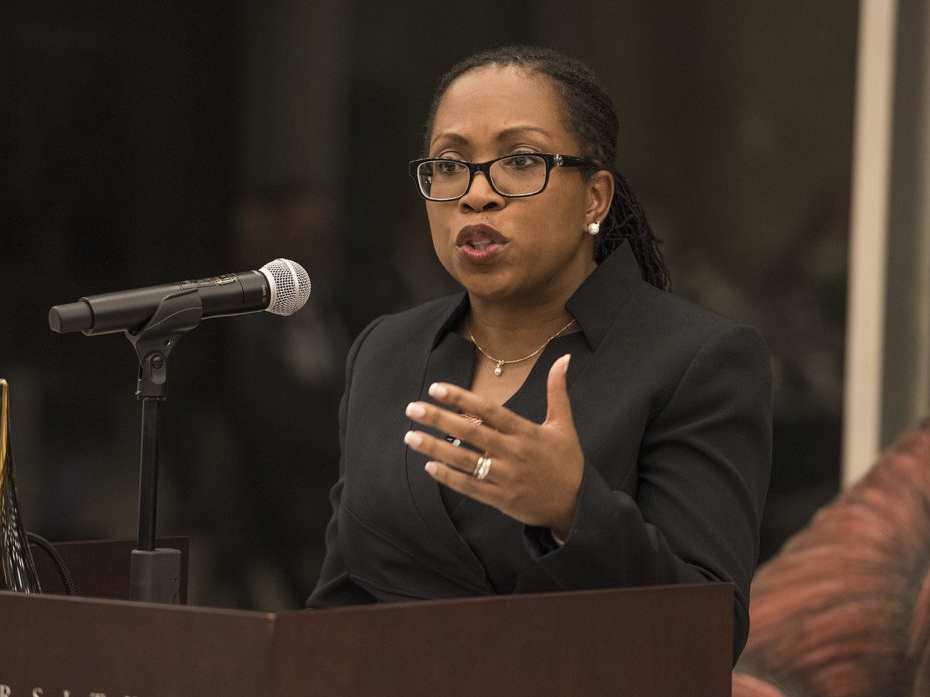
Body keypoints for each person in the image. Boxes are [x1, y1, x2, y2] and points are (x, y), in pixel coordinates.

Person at [307, 45, 771, 661]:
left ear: (594, 199)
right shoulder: (386, 350)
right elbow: (338, 604)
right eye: (449, 164)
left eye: (520, 160)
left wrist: (573, 511)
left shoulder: (697, 359)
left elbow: (707, 638)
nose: (477, 195)